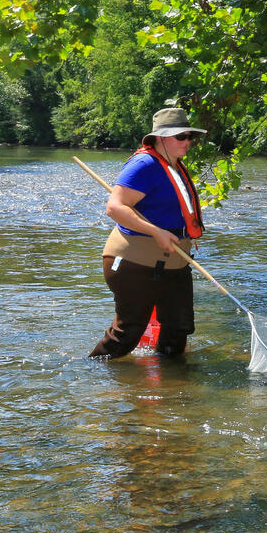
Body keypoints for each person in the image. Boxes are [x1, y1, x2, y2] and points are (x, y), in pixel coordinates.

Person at [90, 106, 206, 359]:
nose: (188, 142)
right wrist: (156, 232)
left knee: (178, 330)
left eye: (190, 137)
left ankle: (172, 391)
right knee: (126, 335)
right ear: (161, 137)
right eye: (181, 136)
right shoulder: (145, 164)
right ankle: (91, 380)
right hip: (135, 262)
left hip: (174, 263)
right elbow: (115, 207)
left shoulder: (174, 166)